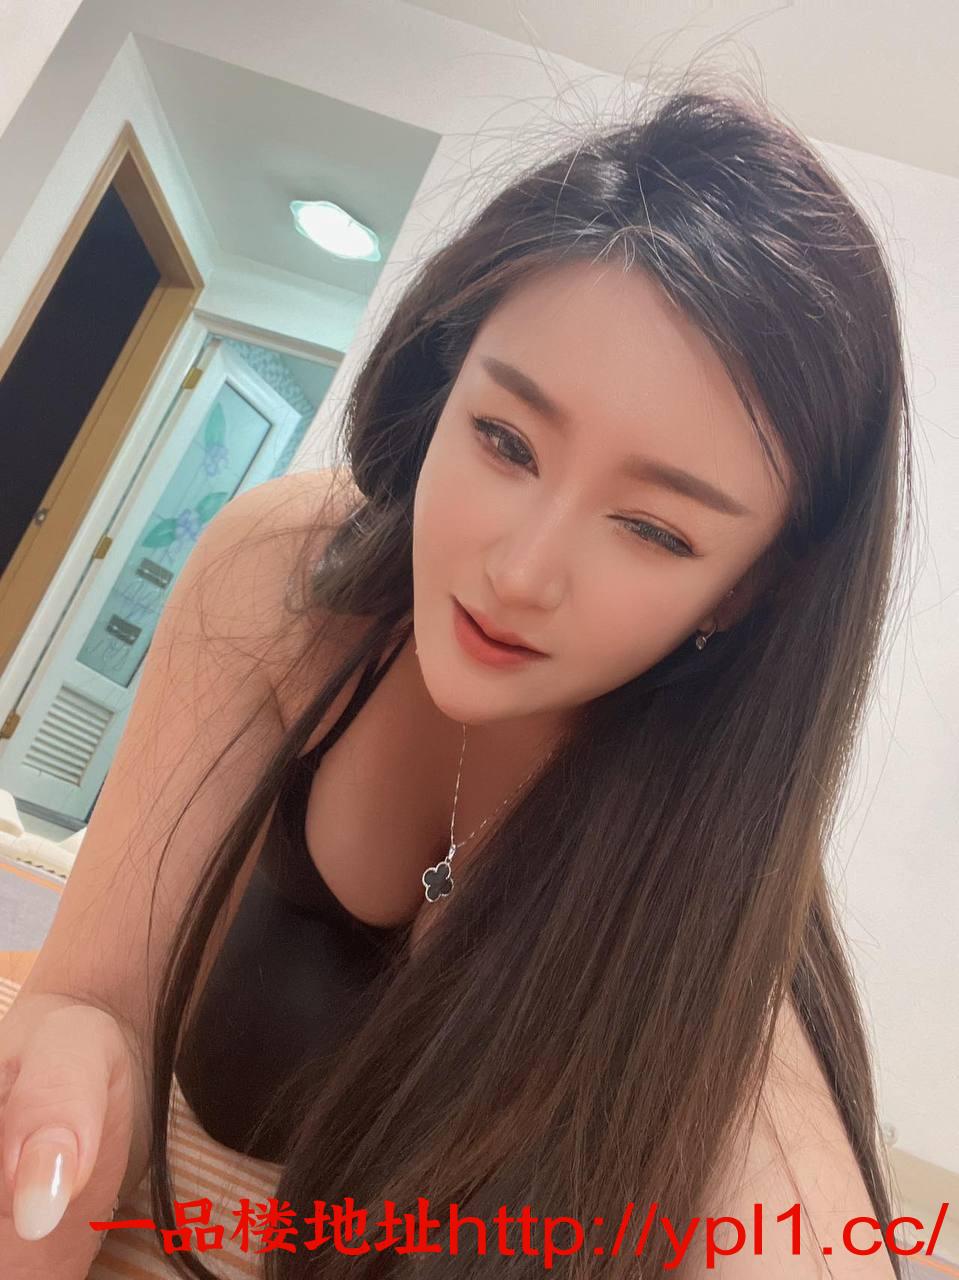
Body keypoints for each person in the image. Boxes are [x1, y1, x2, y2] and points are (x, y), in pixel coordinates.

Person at [0, 77, 914, 1279]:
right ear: (445, 379)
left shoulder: (711, 930)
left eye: (654, 529)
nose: (519, 572)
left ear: (745, 592)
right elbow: (93, 1001)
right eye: (503, 439)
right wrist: (68, 1080)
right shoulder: (286, 582)